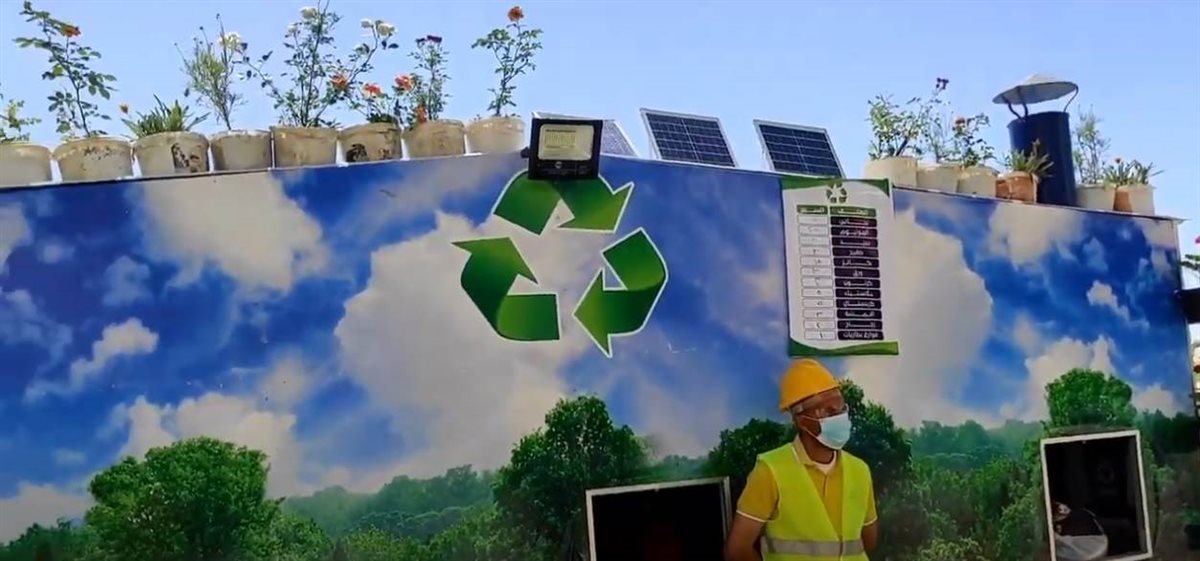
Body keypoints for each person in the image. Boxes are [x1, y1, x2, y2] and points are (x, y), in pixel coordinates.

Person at [725, 359, 878, 561]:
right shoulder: (771, 470)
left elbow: (868, 541)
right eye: (827, 410)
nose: (838, 415)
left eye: (840, 407)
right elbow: (737, 550)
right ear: (801, 419)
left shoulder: (860, 470)